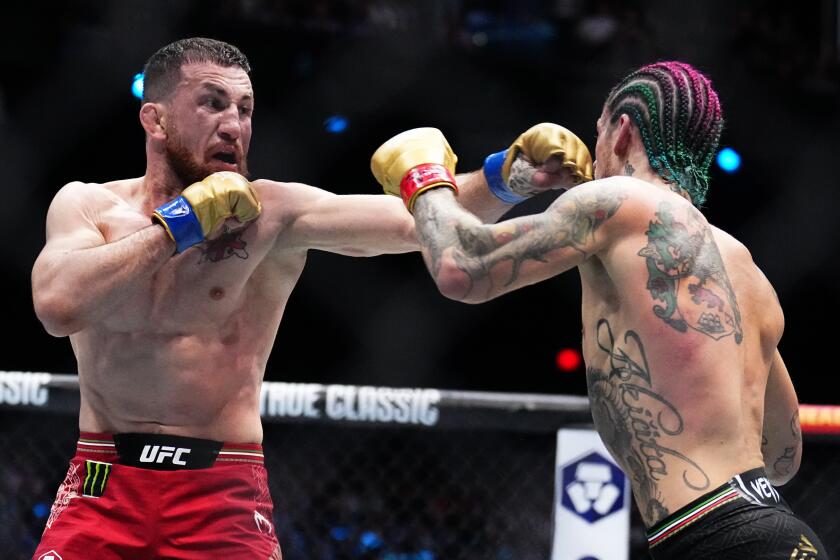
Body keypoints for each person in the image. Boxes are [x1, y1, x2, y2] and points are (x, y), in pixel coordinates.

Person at [29, 37, 580, 559]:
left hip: (220, 489)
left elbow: (414, 224)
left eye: (244, 109)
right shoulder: (87, 207)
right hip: (100, 482)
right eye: (212, 103)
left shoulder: (272, 213)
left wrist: (510, 178)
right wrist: (176, 227)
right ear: (155, 118)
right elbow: (58, 306)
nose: (233, 124)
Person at [372, 61, 828, 559]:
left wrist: (423, 178)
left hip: (714, 538)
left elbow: (463, 268)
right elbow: (783, 458)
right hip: (781, 532)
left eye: (598, 133)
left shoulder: (615, 200)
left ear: (622, 130)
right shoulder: (746, 271)